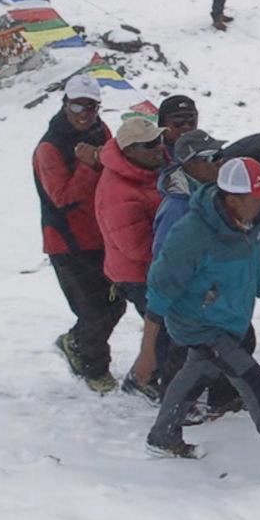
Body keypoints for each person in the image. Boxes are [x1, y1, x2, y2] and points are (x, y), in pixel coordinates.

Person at [146, 157, 260, 477]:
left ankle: (162, 435)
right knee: (254, 382)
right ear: (233, 199)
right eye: (258, 196)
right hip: (198, 323)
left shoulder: (249, 224)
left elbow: (255, 268)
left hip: (227, 318)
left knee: (197, 371)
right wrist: (147, 352)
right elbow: (160, 287)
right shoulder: (191, 234)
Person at [153, 129, 252, 420]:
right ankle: (175, 410)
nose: (219, 163)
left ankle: (223, 397)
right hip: (191, 295)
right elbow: (164, 257)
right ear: (188, 163)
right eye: (210, 158)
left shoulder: (212, 194)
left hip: (217, 291)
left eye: (220, 155)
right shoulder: (178, 206)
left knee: (236, 340)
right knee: (183, 352)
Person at [35, 74, 124, 393]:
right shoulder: (50, 146)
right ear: (65, 104)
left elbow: (113, 166)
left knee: (115, 304)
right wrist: (89, 166)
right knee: (92, 309)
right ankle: (94, 367)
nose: (86, 112)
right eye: (78, 105)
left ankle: (77, 343)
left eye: (92, 106)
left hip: (102, 234)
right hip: (67, 242)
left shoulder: (101, 131)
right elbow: (62, 196)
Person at [97, 116, 169, 400]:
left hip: (153, 267)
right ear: (129, 151)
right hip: (137, 274)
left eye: (159, 141)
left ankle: (148, 375)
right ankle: (145, 379)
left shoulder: (147, 171)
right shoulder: (119, 192)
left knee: (164, 329)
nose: (158, 148)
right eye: (149, 144)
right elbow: (137, 247)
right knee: (162, 330)